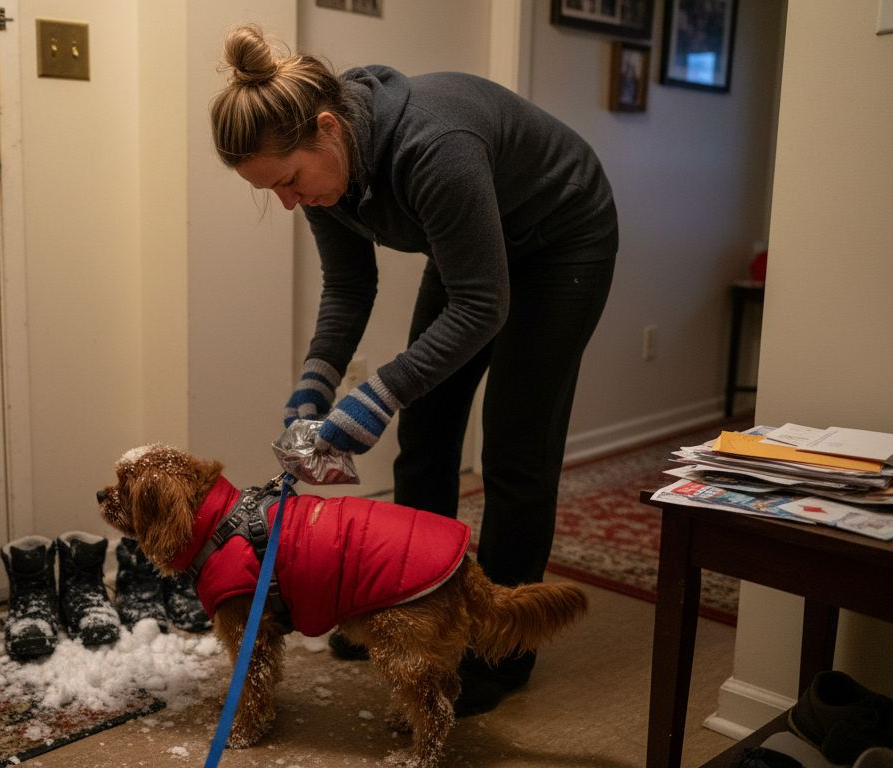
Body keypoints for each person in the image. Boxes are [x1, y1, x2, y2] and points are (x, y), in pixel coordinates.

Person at [210, 25, 617, 715]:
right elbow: (348, 288)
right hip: (474, 257)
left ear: (329, 129)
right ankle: (410, 611)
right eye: (270, 191)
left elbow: (483, 305)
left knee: (515, 442)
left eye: (287, 181)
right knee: (425, 433)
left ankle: (499, 647)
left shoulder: (436, 148)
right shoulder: (324, 178)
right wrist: (315, 383)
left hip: (562, 241)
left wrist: (372, 397)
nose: (286, 200)